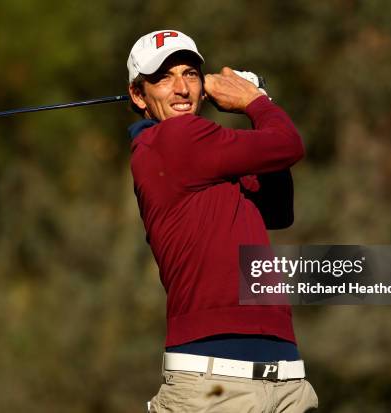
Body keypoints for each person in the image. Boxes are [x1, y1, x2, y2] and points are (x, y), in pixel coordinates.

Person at [127, 30, 318, 412]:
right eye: (163, 77)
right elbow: (288, 144)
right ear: (138, 95)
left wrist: (259, 103)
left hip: (284, 378)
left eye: (191, 74)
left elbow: (279, 210)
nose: (181, 88)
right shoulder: (173, 141)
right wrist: (255, 101)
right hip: (213, 384)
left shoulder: (209, 156)